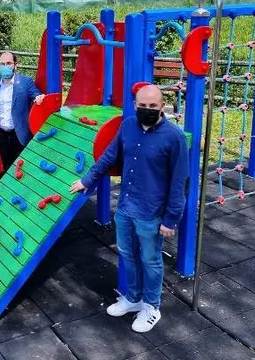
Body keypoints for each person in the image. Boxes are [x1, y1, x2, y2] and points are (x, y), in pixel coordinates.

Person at [70, 84, 189, 333]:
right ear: (135, 105)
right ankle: (133, 299)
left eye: (153, 106)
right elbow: (108, 157)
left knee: (151, 260)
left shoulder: (174, 137)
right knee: (127, 254)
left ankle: (151, 307)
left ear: (162, 106)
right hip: (125, 206)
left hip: (152, 212)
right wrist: (87, 180)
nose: (147, 110)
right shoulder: (127, 126)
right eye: (142, 106)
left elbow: (179, 182)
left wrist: (171, 219)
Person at [0, 52, 45, 171]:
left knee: (21, 168)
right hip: (2, 134)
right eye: (2, 64)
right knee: (6, 167)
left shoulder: (25, 82)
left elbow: (36, 95)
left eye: (8, 63)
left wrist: (39, 97)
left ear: (15, 65)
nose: (5, 66)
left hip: (20, 135)